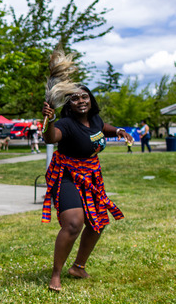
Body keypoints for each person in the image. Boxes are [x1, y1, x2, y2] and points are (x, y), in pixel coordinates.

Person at [41, 85, 133, 292]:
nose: (81, 101)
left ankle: (78, 267)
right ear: (69, 105)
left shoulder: (95, 120)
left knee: (97, 222)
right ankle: (56, 274)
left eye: (85, 97)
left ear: (91, 100)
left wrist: (118, 131)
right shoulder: (66, 124)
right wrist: (50, 119)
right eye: (75, 99)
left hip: (90, 176)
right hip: (66, 177)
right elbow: (50, 138)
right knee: (74, 224)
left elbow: (102, 127)